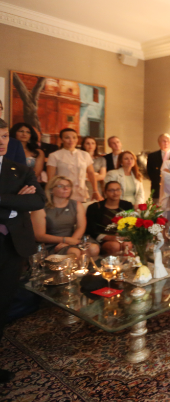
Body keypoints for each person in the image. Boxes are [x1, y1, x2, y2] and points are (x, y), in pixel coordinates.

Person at [0, 118, 46, 384]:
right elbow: (24, 201)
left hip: (12, 246)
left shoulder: (18, 168)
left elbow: (38, 199)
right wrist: (17, 201)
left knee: (3, 304)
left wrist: (3, 200)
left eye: (5, 136)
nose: (2, 142)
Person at [31, 175, 98, 258]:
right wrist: (64, 240)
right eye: (60, 186)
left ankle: (85, 270)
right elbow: (39, 236)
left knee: (93, 249)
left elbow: (81, 227)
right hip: (51, 243)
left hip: (73, 239)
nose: (65, 188)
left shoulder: (76, 204)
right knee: (74, 253)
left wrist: (70, 241)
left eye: (68, 186)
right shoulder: (41, 208)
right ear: (51, 190)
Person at [47, 128, 102, 202]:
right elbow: (51, 178)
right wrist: (51, 193)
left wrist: (95, 191)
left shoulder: (85, 154)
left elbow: (91, 173)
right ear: (61, 140)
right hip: (62, 192)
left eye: (74, 137)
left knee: (81, 212)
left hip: (80, 192)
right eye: (67, 137)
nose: (71, 140)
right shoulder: (54, 155)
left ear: (77, 139)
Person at [86, 181, 133, 255]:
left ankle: (126, 265)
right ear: (105, 192)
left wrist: (123, 235)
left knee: (127, 245)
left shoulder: (127, 205)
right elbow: (91, 229)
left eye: (118, 190)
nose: (115, 193)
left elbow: (132, 223)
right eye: (111, 190)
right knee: (115, 246)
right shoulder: (94, 207)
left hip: (123, 238)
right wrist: (111, 238)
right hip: (103, 239)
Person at [146, 133, 170, 201]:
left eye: (168, 141)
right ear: (159, 143)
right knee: (157, 210)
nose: (166, 143)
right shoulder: (152, 156)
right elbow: (150, 172)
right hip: (157, 190)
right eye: (163, 141)